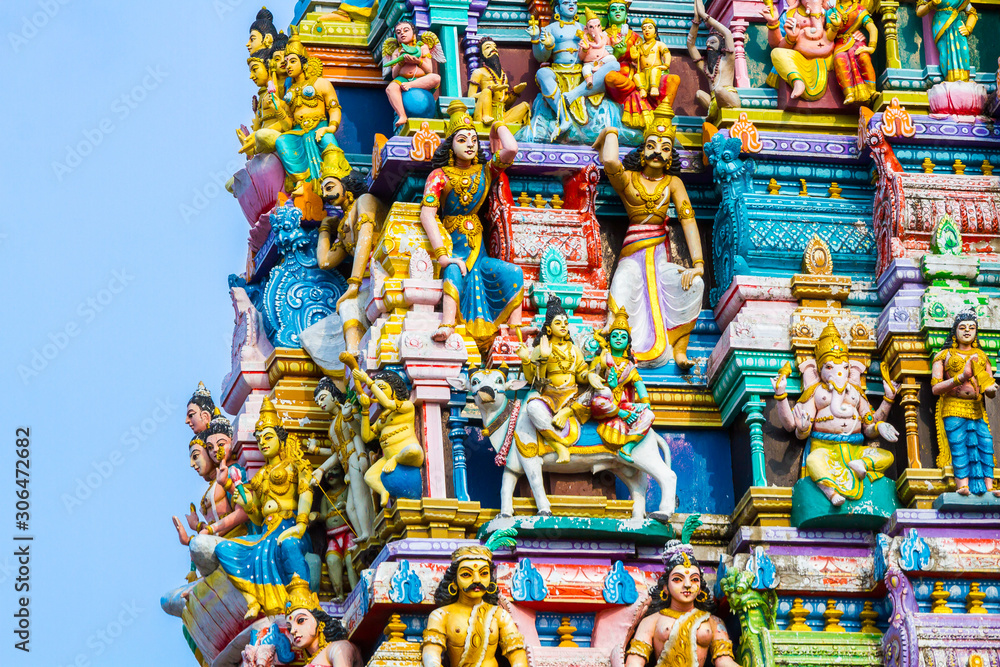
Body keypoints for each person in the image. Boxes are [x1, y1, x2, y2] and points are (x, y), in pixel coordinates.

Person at [592, 102, 704, 369]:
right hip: (633, 254)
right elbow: (609, 161)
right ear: (642, 153)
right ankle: (613, 339)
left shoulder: (673, 183)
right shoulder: (629, 179)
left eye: (665, 148)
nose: (658, 152)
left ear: (671, 157)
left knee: (694, 286)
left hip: (660, 259)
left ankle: (679, 348)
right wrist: (611, 132)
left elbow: (688, 219)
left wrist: (698, 265)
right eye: (651, 146)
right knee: (622, 283)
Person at [420, 101, 523, 344]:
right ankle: (447, 324)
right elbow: (427, 214)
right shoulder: (440, 175)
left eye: (474, 140)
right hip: (454, 251)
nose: (469, 145)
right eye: (462, 140)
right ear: (450, 145)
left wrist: (497, 126)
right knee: (454, 271)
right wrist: (443, 256)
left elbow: (511, 149)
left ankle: (514, 328)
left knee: (514, 272)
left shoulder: (485, 171)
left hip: (480, 255)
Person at [772, 322, 898, 507]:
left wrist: (887, 404)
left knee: (887, 456)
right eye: (830, 367)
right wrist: (781, 395)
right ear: (819, 369)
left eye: (844, 367)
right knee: (814, 461)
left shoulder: (855, 393)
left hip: (855, 450)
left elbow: (869, 427)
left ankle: (861, 465)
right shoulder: (816, 393)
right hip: (825, 449)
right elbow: (792, 425)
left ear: (849, 368)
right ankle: (830, 493)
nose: (839, 373)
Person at [214, 397, 314, 618]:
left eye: (268, 437)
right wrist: (238, 494)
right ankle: (253, 599)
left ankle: (302, 600)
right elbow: (258, 518)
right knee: (223, 549)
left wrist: (301, 524)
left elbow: (306, 491)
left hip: (291, 525)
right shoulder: (259, 477)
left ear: (280, 438)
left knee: (287, 544)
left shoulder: (293, 465)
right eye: (259, 440)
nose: (263, 443)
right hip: (266, 533)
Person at [625, 540, 740, 667]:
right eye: (677, 579)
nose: (687, 585)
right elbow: (635, 661)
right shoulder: (651, 621)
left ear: (700, 588)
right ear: (665, 588)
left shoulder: (714, 622)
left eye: (694, 579)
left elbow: (724, 661)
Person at [517, 296, 604, 463]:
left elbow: (581, 373)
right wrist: (531, 359)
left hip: (573, 397)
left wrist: (590, 375)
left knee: (600, 393)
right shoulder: (541, 348)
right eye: (558, 323)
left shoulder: (574, 350)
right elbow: (533, 380)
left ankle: (567, 412)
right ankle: (558, 446)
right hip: (550, 397)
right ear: (548, 329)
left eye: (565, 322)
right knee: (533, 407)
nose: (563, 326)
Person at [422, 538, 527, 667]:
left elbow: (517, 655)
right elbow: (431, 654)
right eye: (466, 574)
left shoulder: (500, 616)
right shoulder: (441, 616)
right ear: (454, 582)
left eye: (484, 573)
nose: (477, 580)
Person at [317, 172, 386, 356]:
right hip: (365, 283)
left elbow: (366, 236)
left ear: (346, 185)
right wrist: (324, 228)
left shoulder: (365, 200)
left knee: (350, 306)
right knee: (348, 308)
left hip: (384, 272)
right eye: (323, 191)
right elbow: (325, 262)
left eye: (329, 187)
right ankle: (353, 356)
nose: (325, 194)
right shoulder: (342, 228)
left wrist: (353, 283)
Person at [931, 311, 1000, 496]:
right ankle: (962, 484)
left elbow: (988, 384)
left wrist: (991, 390)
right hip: (953, 406)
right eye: (962, 327)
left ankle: (990, 486)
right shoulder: (944, 355)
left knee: (985, 443)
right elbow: (935, 388)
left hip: (977, 409)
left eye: (972, 328)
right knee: (958, 444)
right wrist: (961, 378)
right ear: (955, 331)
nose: (967, 331)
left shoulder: (982, 356)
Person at [274, 34, 351, 189]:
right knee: (281, 141)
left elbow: (334, 108)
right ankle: (301, 181)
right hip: (297, 131)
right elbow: (288, 123)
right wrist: (278, 109)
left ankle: (333, 183)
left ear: (304, 64)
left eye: (293, 61)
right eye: (286, 62)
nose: (288, 65)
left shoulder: (321, 83)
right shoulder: (289, 92)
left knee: (330, 146)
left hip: (320, 126)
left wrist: (330, 127)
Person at [350, 367, 425, 507]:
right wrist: (365, 411)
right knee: (369, 477)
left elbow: (387, 403)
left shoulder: (406, 406)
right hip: (387, 458)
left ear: (394, 390)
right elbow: (366, 437)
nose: (377, 392)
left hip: (406, 455)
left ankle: (396, 458)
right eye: (377, 389)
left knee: (414, 449)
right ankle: (384, 491)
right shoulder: (382, 418)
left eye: (382, 388)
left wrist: (368, 381)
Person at [590, 308, 655, 463]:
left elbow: (638, 384)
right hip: (605, 403)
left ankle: (628, 447)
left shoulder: (629, 366)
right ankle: (620, 415)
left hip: (623, 404)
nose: (618, 338)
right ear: (609, 339)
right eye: (615, 335)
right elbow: (592, 379)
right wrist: (608, 385)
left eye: (623, 336)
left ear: (627, 342)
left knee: (649, 415)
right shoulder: (601, 359)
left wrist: (645, 403)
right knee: (597, 400)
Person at [284, 576, 362, 666]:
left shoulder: (338, 648)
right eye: (289, 628)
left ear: (318, 620)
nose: (293, 631)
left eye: (300, 620)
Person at [381, 21, 444, 127]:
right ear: (397, 37)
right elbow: (394, 75)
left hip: (420, 80)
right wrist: (400, 62)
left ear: (414, 34)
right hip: (402, 79)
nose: (402, 33)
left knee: (436, 78)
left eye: (406, 30)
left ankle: (410, 85)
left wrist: (417, 62)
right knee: (390, 88)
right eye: (398, 32)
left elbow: (429, 70)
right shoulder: (397, 51)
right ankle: (402, 115)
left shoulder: (422, 47)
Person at [688, 0, 740, 122]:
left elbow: (727, 33)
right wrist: (696, 20)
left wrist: (705, 16)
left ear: (721, 46)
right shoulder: (706, 67)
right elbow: (691, 45)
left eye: (713, 42)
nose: (708, 45)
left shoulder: (727, 59)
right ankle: (714, 112)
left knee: (719, 90)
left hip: (728, 97)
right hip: (714, 103)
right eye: (707, 43)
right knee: (700, 94)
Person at [467, 38, 530, 126]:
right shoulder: (478, 72)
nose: (494, 49)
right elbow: (470, 97)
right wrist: (491, 90)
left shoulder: (504, 75)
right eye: (488, 47)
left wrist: (515, 93)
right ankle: (486, 117)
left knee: (525, 105)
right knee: (486, 91)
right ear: (482, 54)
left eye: (495, 47)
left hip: (502, 116)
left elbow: (507, 105)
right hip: (485, 114)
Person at [825, 0, 878, 103]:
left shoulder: (860, 9)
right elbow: (829, 37)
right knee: (839, 60)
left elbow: (873, 29)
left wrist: (871, 47)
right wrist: (835, 26)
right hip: (840, 43)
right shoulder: (832, 11)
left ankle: (871, 90)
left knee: (863, 56)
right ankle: (849, 93)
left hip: (857, 40)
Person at [916, 0, 978, 82]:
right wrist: (931, 4)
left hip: (957, 24)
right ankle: (949, 78)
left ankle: (964, 79)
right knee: (945, 51)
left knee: (963, 51)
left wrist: (968, 28)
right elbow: (919, 12)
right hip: (941, 25)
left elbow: (972, 13)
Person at [579, 7, 616, 88]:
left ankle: (600, 66)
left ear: (600, 27)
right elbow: (581, 57)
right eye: (591, 27)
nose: (595, 29)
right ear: (586, 28)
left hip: (602, 63)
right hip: (590, 63)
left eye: (598, 26)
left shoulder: (604, 37)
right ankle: (589, 82)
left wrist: (614, 44)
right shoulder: (584, 40)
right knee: (585, 69)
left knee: (612, 58)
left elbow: (610, 50)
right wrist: (585, 49)